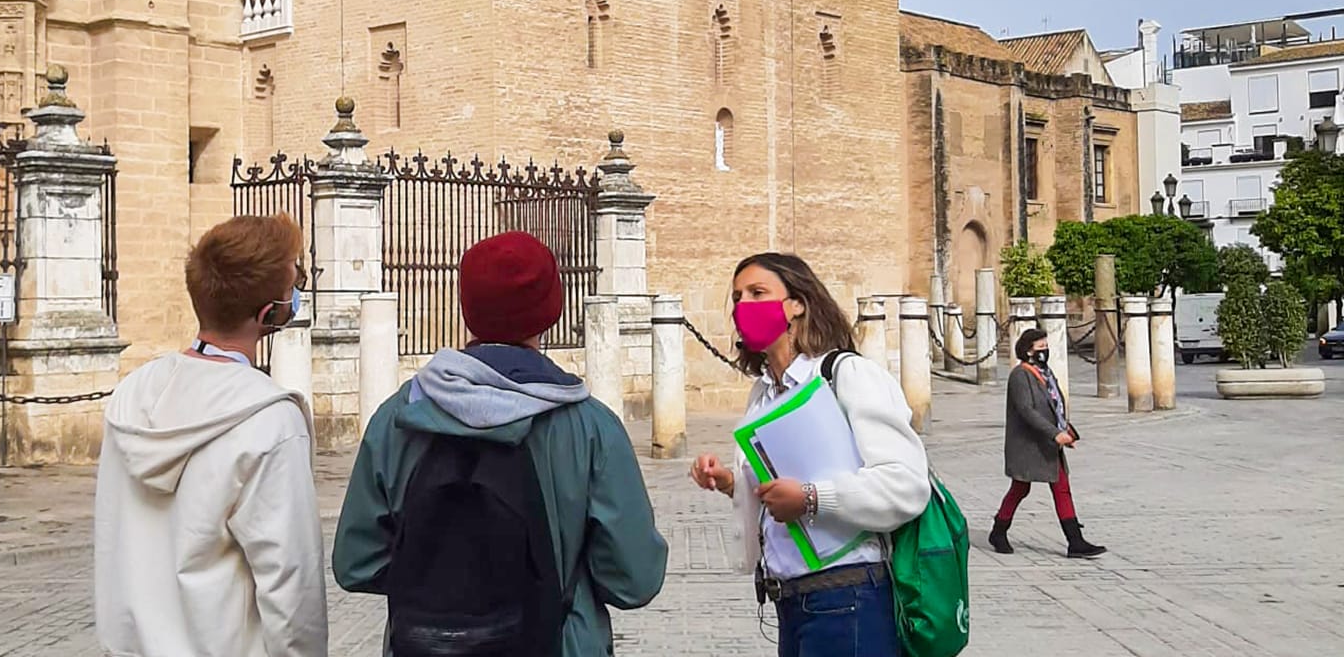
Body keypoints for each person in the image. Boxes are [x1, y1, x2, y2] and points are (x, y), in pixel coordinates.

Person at [333, 231, 668, 656]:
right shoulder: (591, 427)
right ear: (551, 310)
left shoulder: (396, 417)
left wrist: (446, 586)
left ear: (467, 306)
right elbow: (634, 579)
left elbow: (355, 563)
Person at [94, 214, 327, 657]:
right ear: (270, 313)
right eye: (293, 286)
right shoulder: (270, 421)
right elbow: (290, 581)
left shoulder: (132, 394)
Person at [690, 252, 930, 657]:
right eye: (737, 297)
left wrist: (811, 498)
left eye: (758, 293)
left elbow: (906, 485)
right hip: (791, 601)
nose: (744, 305)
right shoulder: (763, 392)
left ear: (797, 304)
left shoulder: (847, 376)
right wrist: (732, 482)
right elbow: (781, 489)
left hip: (848, 596)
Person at [989, 328, 1106, 559]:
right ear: (1028, 351)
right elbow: (1026, 410)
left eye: (1046, 346)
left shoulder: (1046, 374)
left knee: (1061, 487)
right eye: (1040, 347)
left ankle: (1075, 541)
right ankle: (999, 531)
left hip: (1047, 443)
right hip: (1028, 444)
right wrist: (1054, 434)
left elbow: (1054, 406)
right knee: (1020, 488)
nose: (1045, 351)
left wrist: (1065, 431)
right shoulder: (1020, 375)